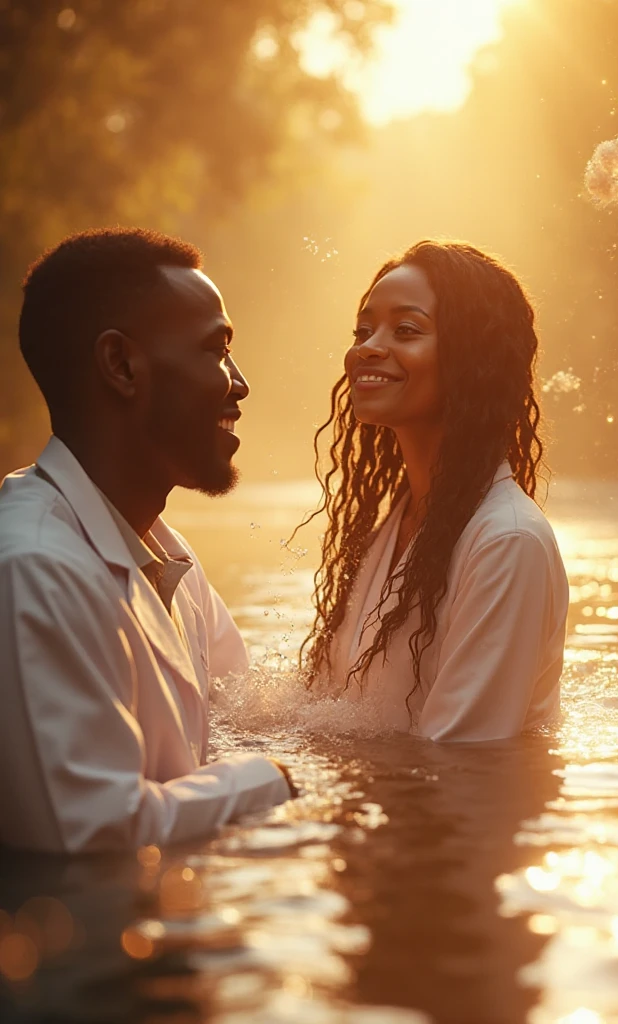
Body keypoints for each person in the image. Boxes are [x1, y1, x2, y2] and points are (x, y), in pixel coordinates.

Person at [0, 227, 296, 854]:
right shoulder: (31, 567)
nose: (238, 384)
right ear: (122, 366)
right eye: (216, 351)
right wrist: (266, 782)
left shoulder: (168, 556)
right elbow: (89, 833)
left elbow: (244, 718)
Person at [300, 240, 569, 741]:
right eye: (363, 329)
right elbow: (327, 711)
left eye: (406, 330)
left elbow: (458, 760)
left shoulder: (507, 543)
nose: (367, 347)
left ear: (473, 360)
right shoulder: (396, 523)